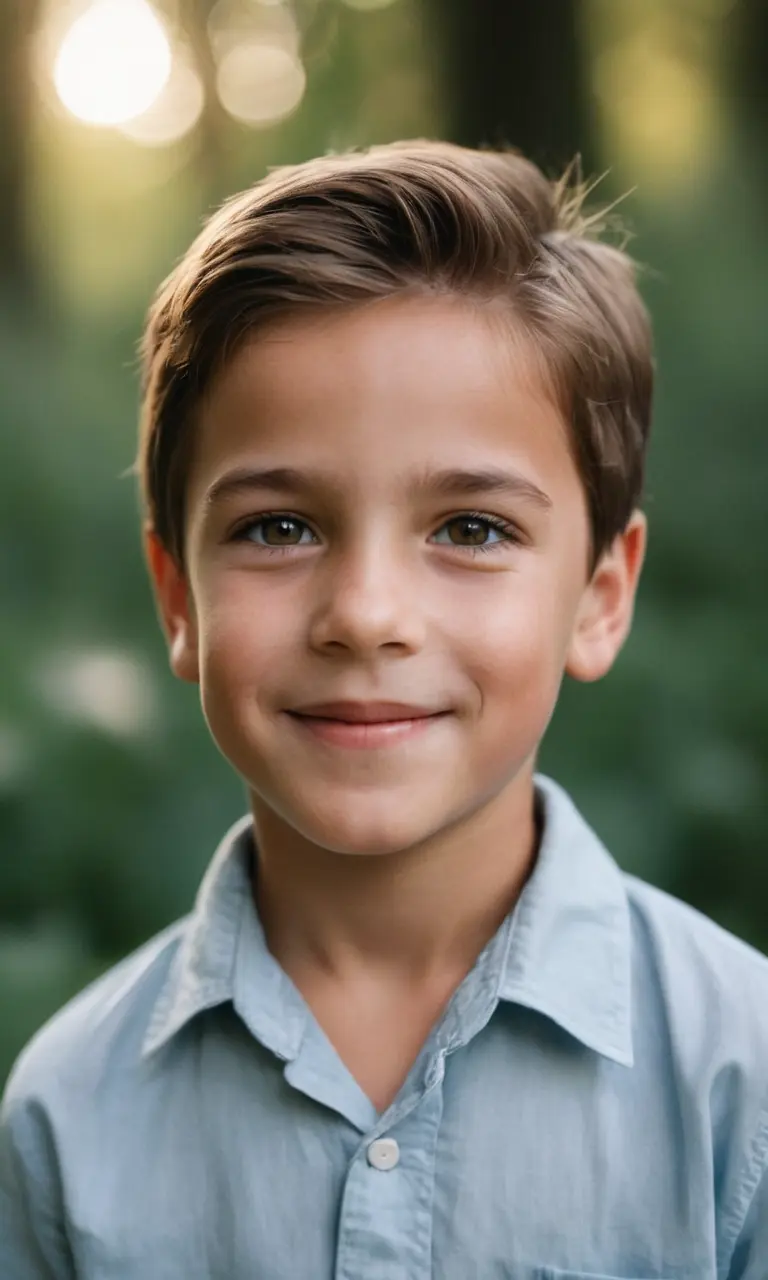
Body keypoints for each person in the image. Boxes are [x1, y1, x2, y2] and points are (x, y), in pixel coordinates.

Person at [1, 139, 766, 1279]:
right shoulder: (67, 1110)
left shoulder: (740, 1078)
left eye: (471, 528)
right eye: (278, 526)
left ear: (600, 599)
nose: (365, 613)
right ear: (179, 601)